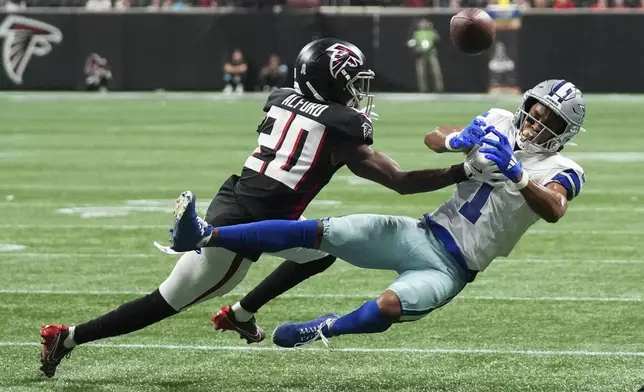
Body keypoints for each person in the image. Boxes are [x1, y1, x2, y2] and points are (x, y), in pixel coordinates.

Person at [39, 38, 479, 378]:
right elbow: (400, 182)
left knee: (323, 250)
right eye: (349, 81)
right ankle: (70, 337)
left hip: (247, 203)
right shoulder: (342, 127)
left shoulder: (281, 97)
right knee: (165, 302)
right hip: (247, 226)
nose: (356, 90)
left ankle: (242, 314)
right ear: (329, 83)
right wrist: (464, 171)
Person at [169, 79, 587, 348]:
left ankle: (325, 328)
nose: (536, 122)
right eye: (535, 110)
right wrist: (457, 138)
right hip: (420, 232)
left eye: (549, 120)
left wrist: (518, 177)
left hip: (454, 268)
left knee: (385, 308)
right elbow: (433, 137)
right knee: (316, 232)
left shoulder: (562, 170)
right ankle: (205, 236)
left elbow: (554, 208)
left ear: (565, 131)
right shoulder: (498, 120)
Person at [407, 18, 443, 93]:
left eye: (425, 23)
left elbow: (437, 38)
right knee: (421, 73)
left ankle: (439, 88)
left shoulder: (431, 32)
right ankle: (423, 89)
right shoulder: (416, 33)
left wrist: (432, 28)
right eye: (421, 23)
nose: (423, 24)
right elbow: (413, 42)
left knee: (436, 72)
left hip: (431, 55)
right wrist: (416, 47)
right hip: (421, 55)